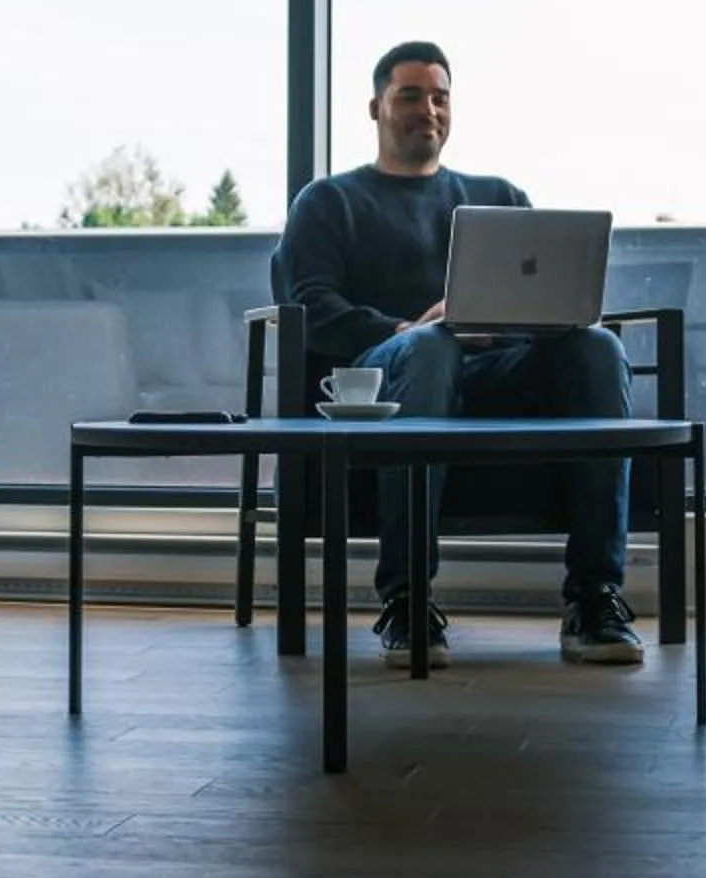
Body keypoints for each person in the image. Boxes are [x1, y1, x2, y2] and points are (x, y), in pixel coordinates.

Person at [270, 41, 642, 670]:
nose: (428, 109)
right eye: (410, 95)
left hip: (498, 367)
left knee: (599, 348)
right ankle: (407, 599)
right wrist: (415, 324)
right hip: (388, 374)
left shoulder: (497, 194)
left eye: (440, 96)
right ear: (375, 107)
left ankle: (594, 597)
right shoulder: (329, 202)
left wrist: (539, 320)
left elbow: (546, 290)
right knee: (430, 348)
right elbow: (312, 308)